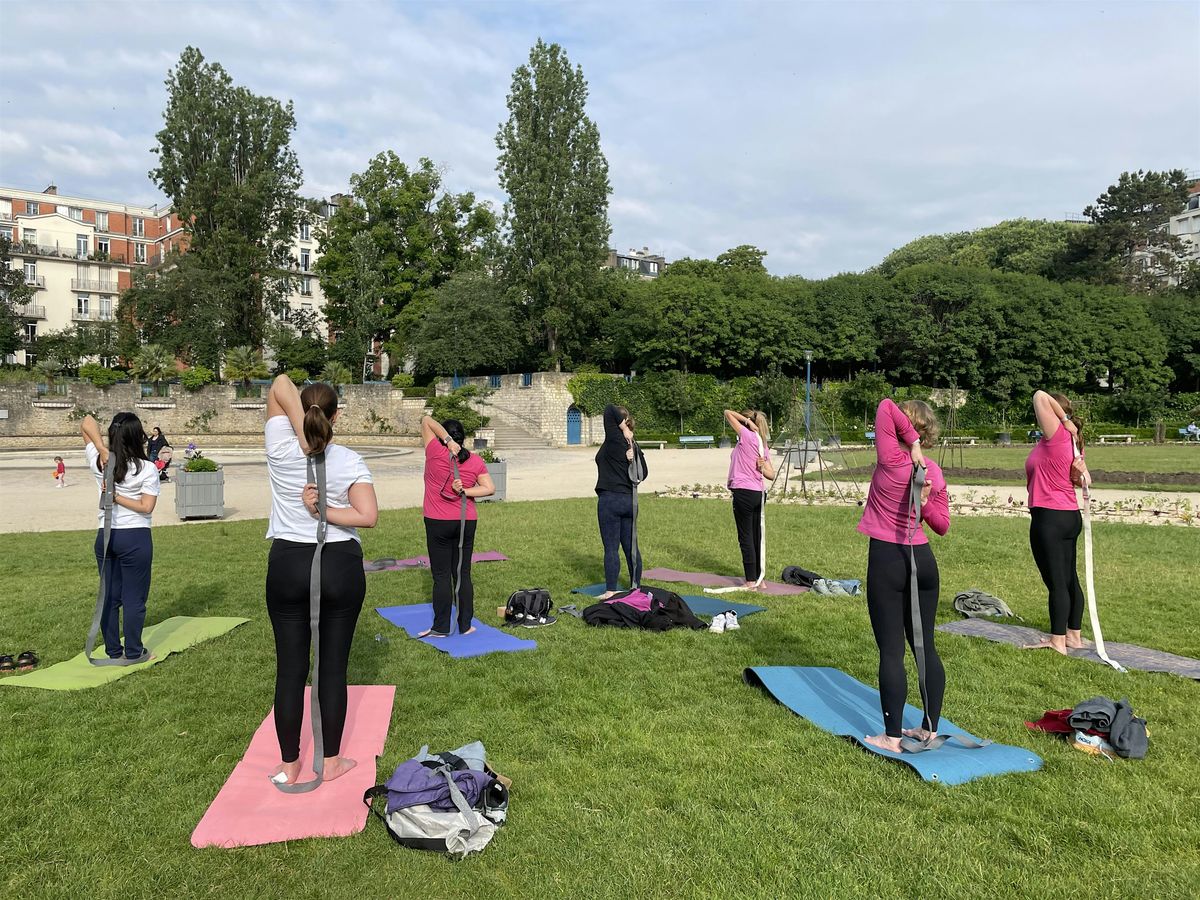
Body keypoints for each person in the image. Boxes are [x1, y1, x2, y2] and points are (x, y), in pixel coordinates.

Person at [264, 374, 378, 786]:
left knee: (290, 669)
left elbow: (279, 382)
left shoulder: (279, 447)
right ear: (336, 416)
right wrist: (327, 512)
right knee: (331, 667)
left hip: (288, 564)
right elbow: (367, 516)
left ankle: (290, 766)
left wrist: (300, 433)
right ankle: (329, 762)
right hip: (339, 564)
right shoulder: (348, 458)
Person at [856, 398, 950, 753]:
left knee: (891, 652)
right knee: (924, 647)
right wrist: (924, 502)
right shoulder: (933, 470)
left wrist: (908, 442)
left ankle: (892, 737)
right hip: (923, 561)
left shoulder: (892, 458)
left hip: (888, 559)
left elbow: (882, 405)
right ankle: (929, 729)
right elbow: (941, 526)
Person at [81, 413, 161, 663]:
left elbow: (86, 422)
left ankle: (114, 651)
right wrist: (115, 497)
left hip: (106, 537)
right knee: (134, 599)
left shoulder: (98, 460)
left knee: (110, 596)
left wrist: (101, 448)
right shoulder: (146, 467)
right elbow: (146, 507)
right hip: (135, 538)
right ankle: (134, 653)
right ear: (138, 437)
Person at [1023, 390, 1091, 655]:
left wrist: (1063, 418)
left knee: (1057, 582)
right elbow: (1084, 479)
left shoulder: (1058, 434)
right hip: (1068, 516)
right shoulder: (1073, 441)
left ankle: (1058, 640)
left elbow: (1039, 395)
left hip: (1049, 518)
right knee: (1069, 578)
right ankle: (1074, 635)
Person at [418, 415, 494, 637]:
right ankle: (465, 625)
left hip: (438, 521)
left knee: (441, 575)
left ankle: (441, 627)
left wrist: (446, 440)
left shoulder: (434, 451)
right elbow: (489, 488)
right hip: (465, 521)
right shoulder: (474, 460)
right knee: (462, 573)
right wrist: (467, 491)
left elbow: (426, 420)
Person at [594, 404, 648, 599]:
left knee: (611, 548)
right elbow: (644, 473)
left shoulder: (615, 436)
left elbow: (608, 408)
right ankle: (635, 587)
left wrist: (623, 428)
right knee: (630, 547)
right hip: (629, 501)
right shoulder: (632, 444)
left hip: (610, 500)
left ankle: (610, 590)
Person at [723, 409, 777, 588]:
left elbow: (727, 412)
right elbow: (771, 474)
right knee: (756, 536)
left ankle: (751, 580)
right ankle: (760, 579)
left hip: (744, 493)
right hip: (758, 494)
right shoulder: (762, 444)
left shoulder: (746, 435)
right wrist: (762, 467)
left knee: (746, 537)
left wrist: (748, 422)